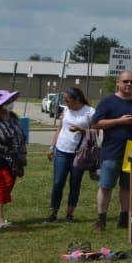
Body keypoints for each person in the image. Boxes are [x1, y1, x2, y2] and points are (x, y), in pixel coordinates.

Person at [92, 71, 132, 232]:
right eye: (126, 81)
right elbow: (96, 124)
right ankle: (101, 219)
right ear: (118, 83)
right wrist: (119, 121)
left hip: (131, 153)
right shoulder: (108, 102)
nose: (129, 85)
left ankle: (124, 217)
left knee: (127, 187)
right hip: (111, 152)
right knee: (106, 186)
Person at [46, 86, 96, 223]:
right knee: (57, 183)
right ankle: (53, 214)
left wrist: (81, 129)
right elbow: (60, 128)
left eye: (68, 100)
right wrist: (52, 147)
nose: (66, 103)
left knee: (75, 184)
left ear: (77, 99)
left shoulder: (90, 112)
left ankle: (69, 214)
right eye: (65, 100)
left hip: (79, 153)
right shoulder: (66, 110)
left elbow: (95, 132)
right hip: (62, 150)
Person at [0, 90, 28, 229]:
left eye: (10, 102)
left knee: (7, 185)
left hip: (14, 159)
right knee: (1, 185)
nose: (10, 105)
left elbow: (20, 136)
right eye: (6, 102)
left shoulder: (13, 117)